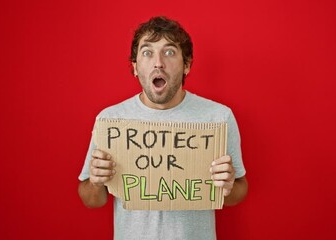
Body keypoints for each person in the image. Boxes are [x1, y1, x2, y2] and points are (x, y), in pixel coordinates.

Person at [78, 16, 248, 240]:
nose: (158, 62)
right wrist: (97, 181)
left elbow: (238, 191)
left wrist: (227, 185)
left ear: (186, 65)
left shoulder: (218, 117)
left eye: (169, 52)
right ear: (135, 67)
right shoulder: (111, 120)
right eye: (147, 52)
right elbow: (91, 199)